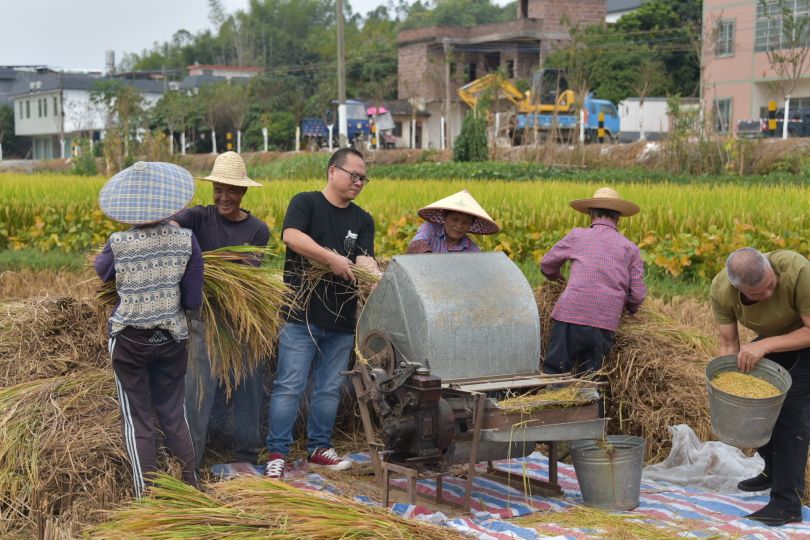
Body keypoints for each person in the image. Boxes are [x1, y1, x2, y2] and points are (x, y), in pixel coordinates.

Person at [264, 148, 380, 479]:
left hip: (342, 319)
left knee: (329, 387)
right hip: (301, 315)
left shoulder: (362, 219)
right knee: (290, 384)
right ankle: (278, 453)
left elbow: (362, 257)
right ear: (332, 171)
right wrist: (330, 258)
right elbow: (292, 236)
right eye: (353, 175)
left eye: (363, 178)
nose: (359, 182)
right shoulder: (307, 203)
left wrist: (372, 273)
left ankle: (319, 447)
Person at [94, 161, 203, 498]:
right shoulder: (186, 239)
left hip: (129, 341)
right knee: (174, 413)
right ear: (169, 202)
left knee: (138, 419)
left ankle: (149, 497)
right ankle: (189, 484)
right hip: (171, 340)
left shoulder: (119, 242)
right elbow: (192, 298)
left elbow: (102, 272)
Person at [171, 151, 270, 470]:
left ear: (242, 192)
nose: (223, 197)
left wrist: (203, 264)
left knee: (249, 387)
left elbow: (244, 276)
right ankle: (191, 464)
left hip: (240, 321)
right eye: (218, 189)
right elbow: (173, 224)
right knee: (197, 391)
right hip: (202, 321)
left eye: (230, 190)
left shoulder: (257, 230)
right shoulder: (198, 217)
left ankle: (246, 458)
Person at [711, 247, 810, 526]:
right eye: (758, 294)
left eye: (770, 286)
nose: (767, 294)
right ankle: (772, 469)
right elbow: (729, 344)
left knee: (791, 415)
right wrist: (730, 389)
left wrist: (763, 345)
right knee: (754, 408)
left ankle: (786, 504)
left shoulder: (797, 270)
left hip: (805, 339)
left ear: (770, 268)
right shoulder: (722, 290)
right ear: (739, 288)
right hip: (775, 341)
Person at [541, 187, 646, 376]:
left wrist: (559, 279)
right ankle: (588, 404)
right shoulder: (630, 248)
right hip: (604, 322)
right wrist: (629, 308)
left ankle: (551, 400)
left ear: (591, 213)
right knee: (589, 379)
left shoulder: (577, 235)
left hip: (570, 315)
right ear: (618, 218)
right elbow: (637, 295)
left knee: (554, 372)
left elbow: (547, 265)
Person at [406, 189, 499, 254]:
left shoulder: (471, 249)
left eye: (465, 222)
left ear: (471, 224)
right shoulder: (430, 228)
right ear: (444, 217)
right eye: (454, 219)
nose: (459, 226)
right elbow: (416, 244)